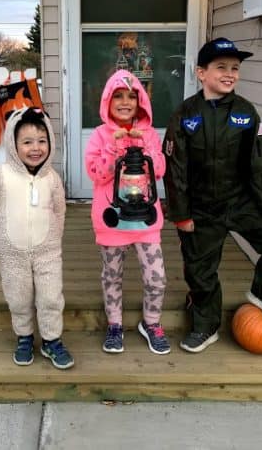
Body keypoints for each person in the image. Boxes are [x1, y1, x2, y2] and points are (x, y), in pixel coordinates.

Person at [162, 37, 262, 354]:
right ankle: (205, 325)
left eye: (235, 68)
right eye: (221, 67)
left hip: (241, 203)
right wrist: (181, 215)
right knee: (200, 272)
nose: (229, 74)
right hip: (200, 210)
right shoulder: (184, 115)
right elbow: (175, 170)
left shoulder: (245, 113)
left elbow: (261, 164)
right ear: (201, 72)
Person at [0, 107, 74, 369]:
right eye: (27, 142)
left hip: (47, 251)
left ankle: (51, 340)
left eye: (41, 141)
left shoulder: (52, 178)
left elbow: (60, 211)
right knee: (19, 297)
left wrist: (55, 238)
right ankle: (24, 337)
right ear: (13, 145)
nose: (35, 148)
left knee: (50, 297)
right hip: (11, 252)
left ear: (50, 142)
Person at [85, 69, 171, 355]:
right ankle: (115, 324)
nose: (125, 102)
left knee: (156, 276)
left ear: (141, 101)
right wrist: (113, 145)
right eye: (118, 96)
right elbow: (97, 174)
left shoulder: (149, 135)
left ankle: (152, 323)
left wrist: (144, 143)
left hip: (145, 222)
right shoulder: (99, 136)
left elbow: (159, 170)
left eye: (131, 96)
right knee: (112, 276)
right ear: (107, 101)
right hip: (112, 223)